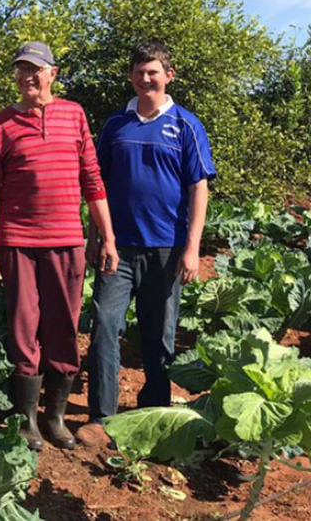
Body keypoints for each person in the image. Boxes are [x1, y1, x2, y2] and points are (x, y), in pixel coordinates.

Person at [0, 41, 119, 450]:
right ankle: (26, 422)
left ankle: (55, 417)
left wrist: (106, 236)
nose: (27, 78)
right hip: (17, 242)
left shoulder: (74, 115)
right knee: (23, 331)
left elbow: (92, 179)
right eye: (21, 70)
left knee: (63, 328)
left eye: (35, 70)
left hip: (67, 241)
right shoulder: (2, 124)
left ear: (53, 73)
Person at [78, 41, 216, 447]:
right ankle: (101, 417)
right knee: (105, 326)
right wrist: (95, 236)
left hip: (166, 250)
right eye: (139, 72)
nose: (145, 78)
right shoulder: (115, 126)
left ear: (168, 76)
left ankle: (152, 413)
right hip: (116, 249)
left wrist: (192, 249)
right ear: (131, 77)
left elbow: (199, 188)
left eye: (153, 72)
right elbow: (95, 183)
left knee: (159, 335)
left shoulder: (186, 125)